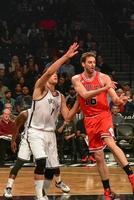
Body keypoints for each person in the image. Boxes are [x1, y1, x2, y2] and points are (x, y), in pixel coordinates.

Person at [70, 51, 134, 199]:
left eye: (94, 62)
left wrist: (121, 100)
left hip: (103, 115)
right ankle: (107, 191)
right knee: (98, 156)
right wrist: (105, 88)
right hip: (89, 119)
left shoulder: (104, 77)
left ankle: (131, 175)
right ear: (83, 64)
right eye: (89, 62)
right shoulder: (76, 79)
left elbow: (115, 99)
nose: (93, 65)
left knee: (110, 142)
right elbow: (85, 95)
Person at [3, 109, 70, 199]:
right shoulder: (25, 114)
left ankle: (56, 183)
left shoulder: (47, 114)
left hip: (40, 140)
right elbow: (16, 126)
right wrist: (13, 141)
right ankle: (8, 187)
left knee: (51, 162)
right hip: (27, 140)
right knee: (19, 163)